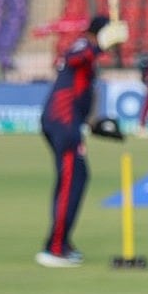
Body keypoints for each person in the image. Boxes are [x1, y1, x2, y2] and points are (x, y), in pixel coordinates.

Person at [36, 15, 128, 267]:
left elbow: (82, 101)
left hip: (69, 122)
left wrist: (99, 127)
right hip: (62, 123)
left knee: (78, 177)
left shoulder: (91, 62)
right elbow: (76, 57)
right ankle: (54, 248)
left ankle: (62, 242)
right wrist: (100, 44)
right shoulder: (82, 46)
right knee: (70, 181)